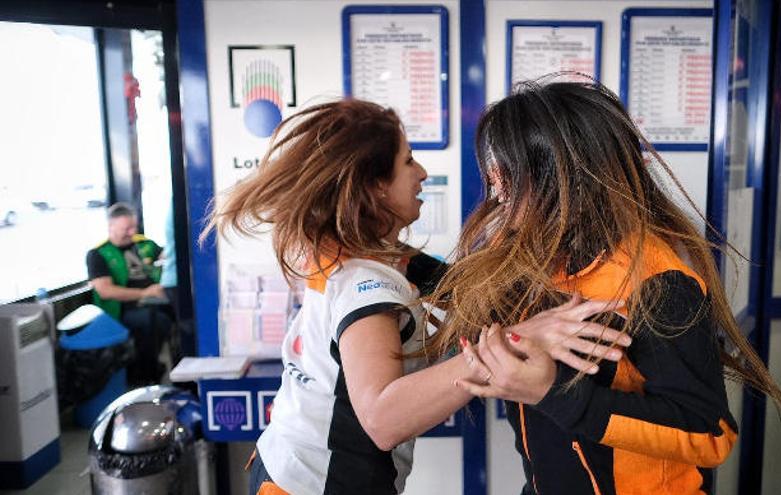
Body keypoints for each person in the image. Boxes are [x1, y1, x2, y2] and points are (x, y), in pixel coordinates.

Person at [205, 98, 630, 495]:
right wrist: (518, 340)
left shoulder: (350, 253)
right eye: (407, 161)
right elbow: (382, 419)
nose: (421, 172)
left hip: (283, 468)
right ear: (373, 188)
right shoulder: (364, 285)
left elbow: (449, 287)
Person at [425, 79, 781, 494]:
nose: (495, 184)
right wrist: (389, 255)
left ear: (565, 177)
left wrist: (551, 393)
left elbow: (709, 434)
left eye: (508, 169)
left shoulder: (656, 282)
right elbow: (467, 290)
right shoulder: (539, 256)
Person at [87, 202, 172, 385]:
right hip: (122, 311)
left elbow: (168, 255)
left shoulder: (145, 244)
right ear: (111, 226)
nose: (132, 232)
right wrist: (143, 293)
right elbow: (105, 290)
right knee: (154, 320)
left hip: (157, 301)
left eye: (134, 226)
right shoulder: (98, 254)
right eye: (126, 228)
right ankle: (145, 376)